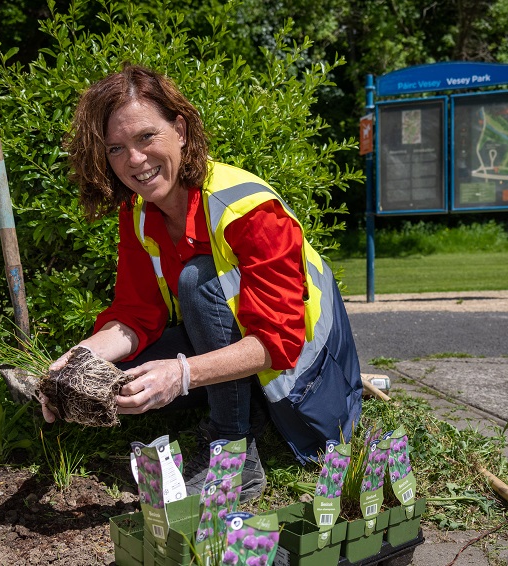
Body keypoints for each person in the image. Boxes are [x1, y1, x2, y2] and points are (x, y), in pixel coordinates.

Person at [42, 64, 363, 502]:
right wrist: (76, 362)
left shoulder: (248, 209)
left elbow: (279, 343)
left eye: (145, 137)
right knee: (106, 374)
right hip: (247, 356)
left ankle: (233, 452)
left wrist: (182, 373)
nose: (134, 160)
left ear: (180, 129)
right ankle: (240, 410)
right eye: (116, 148)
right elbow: (136, 315)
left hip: (307, 375)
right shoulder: (139, 213)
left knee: (197, 281)